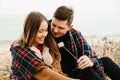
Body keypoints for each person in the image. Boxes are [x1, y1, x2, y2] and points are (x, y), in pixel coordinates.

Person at [49, 6, 120, 80]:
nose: (55, 30)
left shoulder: (75, 34)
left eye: (60, 28)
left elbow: (90, 57)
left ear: (70, 27)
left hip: (78, 68)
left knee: (106, 61)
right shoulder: (45, 31)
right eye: (53, 25)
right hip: (63, 74)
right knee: (87, 71)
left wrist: (90, 61)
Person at [9, 11, 79, 80]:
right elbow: (45, 74)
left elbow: (56, 71)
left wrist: (42, 59)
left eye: (46, 30)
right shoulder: (19, 48)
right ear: (30, 31)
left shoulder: (47, 47)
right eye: (40, 31)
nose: (44, 34)